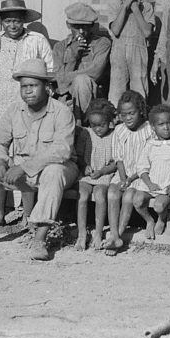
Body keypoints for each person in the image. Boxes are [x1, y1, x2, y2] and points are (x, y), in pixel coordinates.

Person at [0, 58, 79, 260]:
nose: (28, 91)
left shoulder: (62, 112)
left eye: (33, 86)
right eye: (24, 86)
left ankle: (39, 239)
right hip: (23, 169)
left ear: (46, 87)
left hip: (58, 169)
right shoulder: (13, 110)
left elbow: (61, 151)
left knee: (54, 172)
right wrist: (0, 162)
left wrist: (23, 168)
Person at [0, 0, 53, 228]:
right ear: (1, 22)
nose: (12, 25)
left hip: (27, 112)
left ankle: (28, 215)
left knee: (25, 162)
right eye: (8, 21)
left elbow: (50, 73)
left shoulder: (36, 41)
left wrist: (42, 107)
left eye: (17, 20)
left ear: (24, 21)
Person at [103, 90, 153, 256]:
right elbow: (119, 159)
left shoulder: (149, 130)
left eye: (131, 113)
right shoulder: (119, 131)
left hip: (141, 175)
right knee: (112, 192)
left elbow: (147, 161)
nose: (128, 118)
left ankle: (118, 235)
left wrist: (130, 179)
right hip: (123, 174)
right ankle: (114, 236)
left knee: (128, 196)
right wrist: (123, 178)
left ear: (140, 111)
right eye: (124, 115)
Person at [53, 3, 112, 120]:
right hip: (66, 98)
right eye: (76, 26)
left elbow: (95, 73)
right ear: (68, 25)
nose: (81, 31)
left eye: (85, 26)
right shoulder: (59, 47)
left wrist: (66, 76)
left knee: (81, 80)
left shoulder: (102, 43)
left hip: (93, 100)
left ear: (91, 26)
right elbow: (58, 81)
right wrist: (73, 57)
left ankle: (81, 124)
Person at [131, 105, 170, 239]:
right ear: (153, 127)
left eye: (169, 123)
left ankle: (161, 218)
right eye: (161, 124)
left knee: (159, 206)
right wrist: (149, 184)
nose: (166, 127)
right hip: (150, 185)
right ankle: (149, 220)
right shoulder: (150, 145)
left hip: (167, 186)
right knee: (137, 201)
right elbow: (142, 168)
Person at [74, 98, 118, 251]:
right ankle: (81, 234)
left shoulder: (114, 136)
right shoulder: (87, 134)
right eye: (94, 125)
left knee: (100, 196)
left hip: (104, 175)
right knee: (82, 196)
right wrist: (84, 165)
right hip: (87, 175)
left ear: (109, 121)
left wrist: (102, 171)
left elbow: (116, 162)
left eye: (102, 125)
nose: (98, 129)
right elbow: (79, 155)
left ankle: (98, 233)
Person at [108, 0, 155, 106]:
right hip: (118, 52)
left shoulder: (146, 7)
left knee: (139, 87)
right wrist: (125, 6)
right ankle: (116, 120)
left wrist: (135, 8)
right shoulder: (115, 4)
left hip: (138, 52)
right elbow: (115, 30)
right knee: (117, 88)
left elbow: (147, 32)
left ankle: (140, 119)